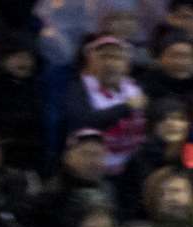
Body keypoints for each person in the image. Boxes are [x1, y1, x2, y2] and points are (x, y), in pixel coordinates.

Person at [63, 35, 148, 175]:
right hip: (93, 169)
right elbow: (82, 122)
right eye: (103, 57)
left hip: (131, 167)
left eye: (117, 58)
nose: (110, 63)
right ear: (90, 62)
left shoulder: (135, 88)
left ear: (127, 65)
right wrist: (126, 107)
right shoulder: (78, 88)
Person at [29, 129, 116, 227]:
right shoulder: (51, 194)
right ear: (68, 158)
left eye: (99, 155)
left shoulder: (108, 190)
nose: (93, 161)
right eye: (86, 154)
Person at [0, 34, 47, 174]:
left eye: (28, 57)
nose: (24, 63)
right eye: (17, 57)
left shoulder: (39, 90)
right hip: (0, 162)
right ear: (2, 60)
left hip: (33, 163)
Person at [140, 28, 193, 110]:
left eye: (186, 56)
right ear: (160, 58)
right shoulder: (145, 84)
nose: (180, 61)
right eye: (174, 55)